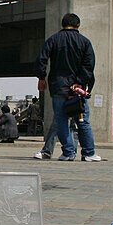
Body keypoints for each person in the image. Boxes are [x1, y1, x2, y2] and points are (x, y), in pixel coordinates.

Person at [35, 12, 101, 161]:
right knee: (83, 120)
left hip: (58, 86)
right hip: (76, 89)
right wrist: (80, 81)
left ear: (62, 24)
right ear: (78, 25)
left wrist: (41, 77)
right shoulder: (85, 42)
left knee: (61, 120)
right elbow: (89, 65)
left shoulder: (53, 40)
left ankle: (68, 152)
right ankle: (89, 153)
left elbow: (42, 59)